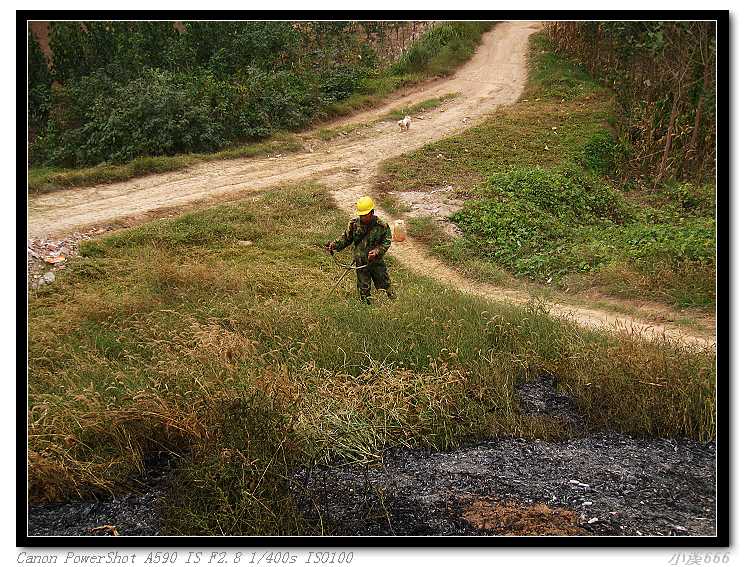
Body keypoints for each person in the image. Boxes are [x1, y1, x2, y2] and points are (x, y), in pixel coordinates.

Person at [325, 196, 396, 304]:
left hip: (376, 261)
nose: (363, 217)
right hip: (361, 262)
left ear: (372, 212)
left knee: (385, 284)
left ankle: (394, 303)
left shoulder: (382, 226)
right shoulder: (354, 224)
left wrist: (377, 251)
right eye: (361, 215)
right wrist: (334, 245)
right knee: (363, 288)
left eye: (365, 215)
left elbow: (386, 242)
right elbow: (345, 239)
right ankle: (366, 308)